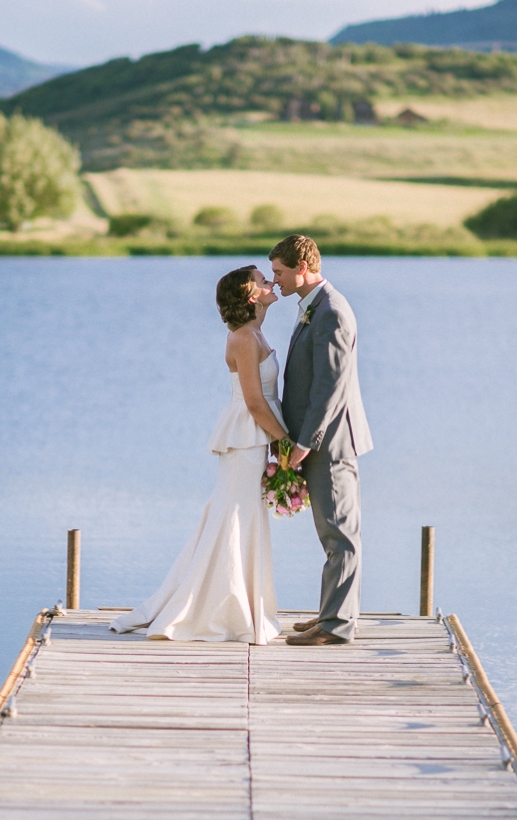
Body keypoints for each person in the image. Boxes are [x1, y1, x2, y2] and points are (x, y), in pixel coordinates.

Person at [110, 267, 289, 643]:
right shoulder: (242, 337)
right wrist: (285, 441)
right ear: (250, 294)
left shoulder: (256, 332)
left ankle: (241, 605)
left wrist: (276, 439)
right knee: (235, 517)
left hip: (258, 438)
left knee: (242, 517)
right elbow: (255, 402)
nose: (271, 282)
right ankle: (222, 610)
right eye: (263, 279)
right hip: (246, 439)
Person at [269, 235, 373, 645]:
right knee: (332, 533)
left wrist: (306, 441)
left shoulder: (331, 312)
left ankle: (337, 626)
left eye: (279, 272)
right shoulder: (316, 307)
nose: (275, 280)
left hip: (330, 443)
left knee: (340, 533)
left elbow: (330, 386)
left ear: (302, 269)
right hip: (320, 440)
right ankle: (330, 615)